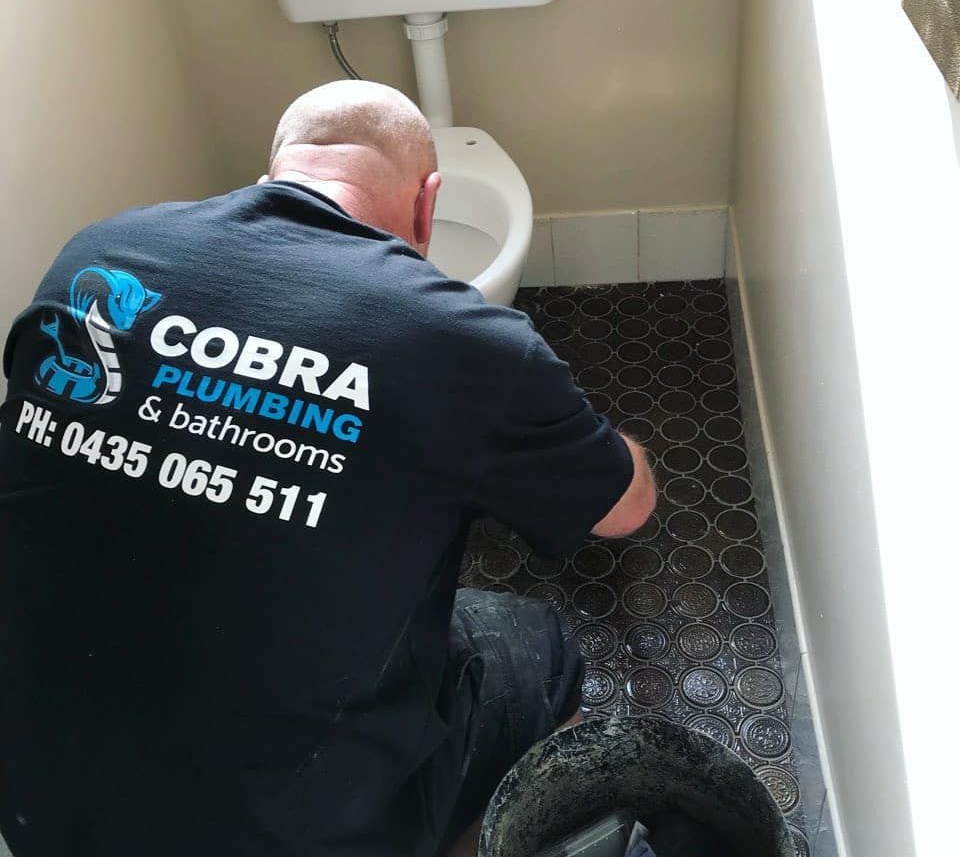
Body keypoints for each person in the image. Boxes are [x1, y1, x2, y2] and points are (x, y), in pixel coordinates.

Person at [0, 81, 656, 857]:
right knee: (535, 642)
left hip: (35, 801)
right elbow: (625, 506)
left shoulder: (101, 250)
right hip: (279, 833)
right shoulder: (463, 341)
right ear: (428, 205)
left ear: (271, 172)